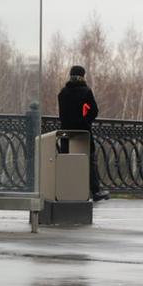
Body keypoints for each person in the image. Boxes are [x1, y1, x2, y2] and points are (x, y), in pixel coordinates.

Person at [58, 65, 108, 201]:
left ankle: (64, 190)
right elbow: (94, 111)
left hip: (66, 133)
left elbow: (62, 114)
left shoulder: (63, 93)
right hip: (83, 133)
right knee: (89, 161)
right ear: (83, 76)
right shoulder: (86, 92)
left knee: (66, 161)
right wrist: (85, 121)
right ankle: (95, 191)